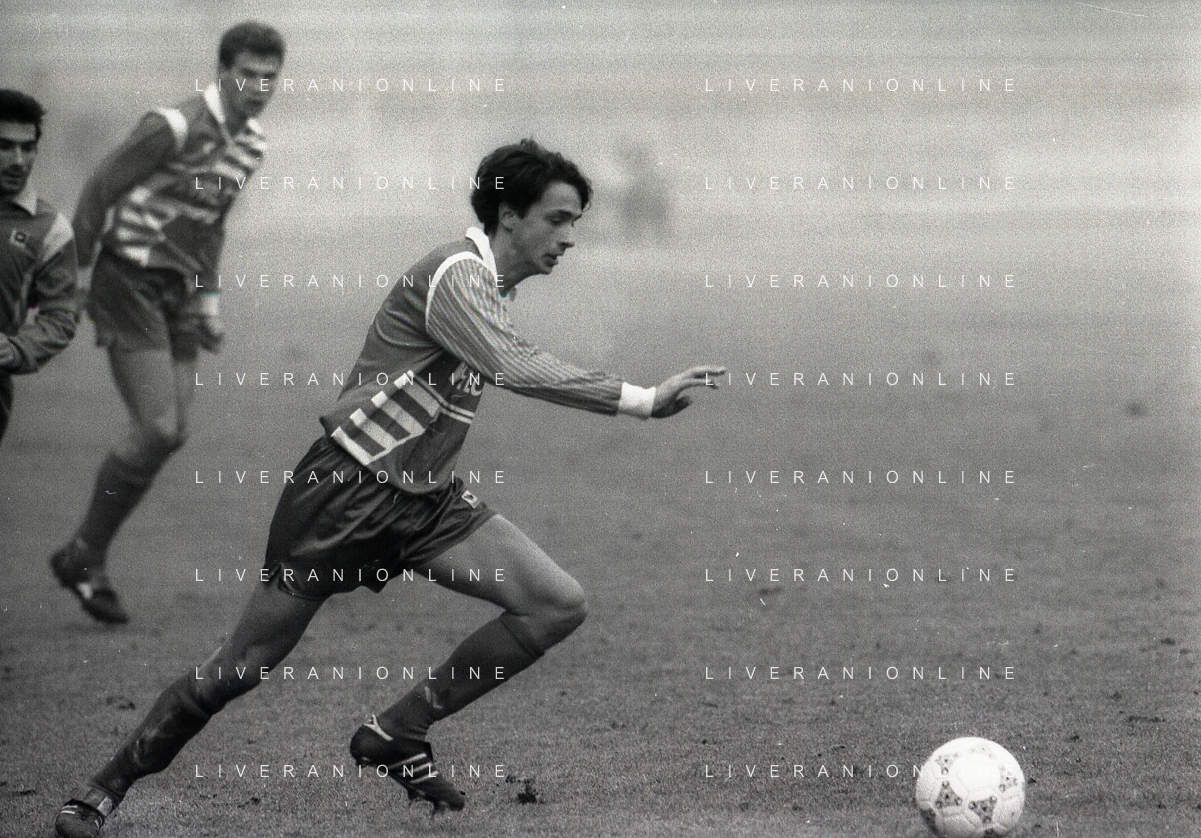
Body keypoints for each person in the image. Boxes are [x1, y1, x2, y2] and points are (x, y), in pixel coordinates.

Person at [53, 138, 723, 838]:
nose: (569, 237)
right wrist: (643, 400)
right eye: (557, 219)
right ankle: (103, 789)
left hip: (426, 501)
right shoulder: (458, 274)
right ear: (509, 214)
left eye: (574, 222)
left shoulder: (493, 286)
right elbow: (511, 364)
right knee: (242, 666)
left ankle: (398, 731)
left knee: (555, 604)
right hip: (346, 491)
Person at [49, 21, 286, 624]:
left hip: (179, 289)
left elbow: (210, 228)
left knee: (173, 432)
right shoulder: (174, 125)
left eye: (270, 77)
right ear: (223, 71)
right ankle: (85, 554)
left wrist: (208, 303)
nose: (259, 87)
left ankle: (83, 554)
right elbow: (99, 189)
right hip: (127, 277)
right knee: (155, 426)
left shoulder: (252, 144)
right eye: (248, 74)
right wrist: (78, 278)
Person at [0, 89, 79, 445]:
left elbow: (60, 317)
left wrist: (18, 349)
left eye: (27, 148)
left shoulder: (50, 229)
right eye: (4, 147)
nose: (18, 160)